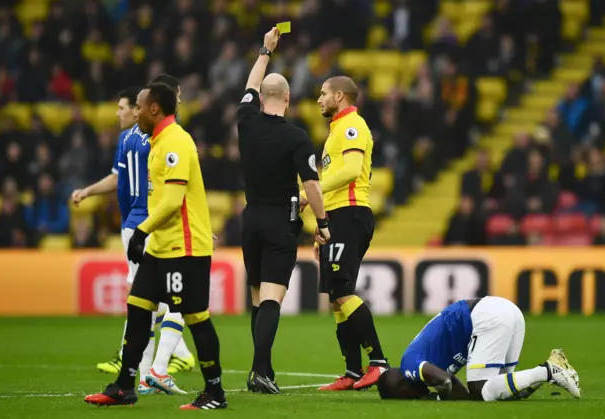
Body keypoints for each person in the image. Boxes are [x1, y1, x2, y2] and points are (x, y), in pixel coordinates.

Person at [84, 82, 226, 410]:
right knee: (137, 307)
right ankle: (124, 386)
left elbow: (174, 200)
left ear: (153, 109)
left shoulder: (176, 142)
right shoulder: (158, 142)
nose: (134, 111)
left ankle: (215, 393)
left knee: (196, 317)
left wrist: (140, 231)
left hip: (184, 248)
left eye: (138, 105)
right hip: (162, 246)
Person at [72, 79, 195, 396]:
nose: (121, 113)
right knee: (177, 300)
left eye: (127, 107)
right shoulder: (163, 138)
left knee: (144, 302)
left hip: (133, 226)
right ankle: (158, 369)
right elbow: (172, 190)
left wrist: (88, 192)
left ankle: (144, 375)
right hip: (155, 225)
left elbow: (120, 180)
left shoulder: (127, 138)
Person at [238, 28, 329, 394]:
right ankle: (259, 371)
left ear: (261, 98)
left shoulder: (245, 120)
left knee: (258, 298)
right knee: (273, 298)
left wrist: (266, 50)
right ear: (288, 99)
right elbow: (311, 185)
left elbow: (249, 84)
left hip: (251, 219)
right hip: (280, 222)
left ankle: (265, 371)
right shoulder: (296, 137)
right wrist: (322, 223)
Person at [302, 76, 387, 391]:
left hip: (351, 214)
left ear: (339, 95)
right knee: (336, 298)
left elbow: (351, 171)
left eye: (323, 93)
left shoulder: (353, 125)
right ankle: (352, 371)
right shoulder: (336, 130)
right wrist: (320, 225)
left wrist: (309, 193)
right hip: (337, 217)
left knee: (343, 291)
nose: (319, 99)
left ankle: (377, 362)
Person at [376, 296, 581, 401]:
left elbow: (444, 381)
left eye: (406, 396)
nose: (414, 397)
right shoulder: (424, 360)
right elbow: (461, 394)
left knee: (481, 389)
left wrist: (437, 397)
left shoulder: (409, 364)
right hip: (506, 311)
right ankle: (552, 370)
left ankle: (548, 370)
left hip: (485, 316)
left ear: (401, 384)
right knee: (502, 392)